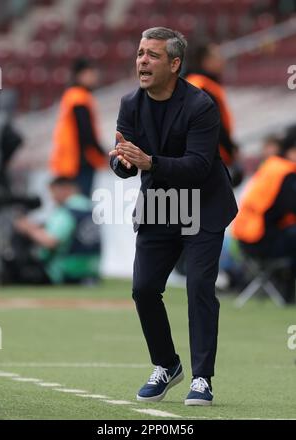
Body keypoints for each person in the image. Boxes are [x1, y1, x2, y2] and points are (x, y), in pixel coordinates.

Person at [109, 27, 237, 406]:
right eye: (139, 54)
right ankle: (166, 365)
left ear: (175, 64)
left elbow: (198, 167)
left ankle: (202, 379)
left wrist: (149, 162)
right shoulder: (129, 104)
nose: (142, 61)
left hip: (203, 206)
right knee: (143, 289)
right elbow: (124, 161)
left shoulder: (201, 105)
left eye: (152, 55)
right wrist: (121, 162)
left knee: (199, 286)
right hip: (160, 205)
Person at [232, 128, 296, 304]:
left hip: (245, 236)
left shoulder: (272, 166)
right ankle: (288, 292)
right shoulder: (287, 173)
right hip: (259, 239)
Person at [2, 177, 101, 285]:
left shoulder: (67, 211)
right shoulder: (89, 208)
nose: (52, 197)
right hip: (89, 270)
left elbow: (51, 241)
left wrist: (28, 228)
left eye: (54, 192)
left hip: (65, 273)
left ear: (65, 189)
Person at [185, 42, 244, 187]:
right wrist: (231, 151)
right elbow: (213, 124)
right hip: (207, 160)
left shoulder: (196, 83)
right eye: (217, 56)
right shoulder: (200, 86)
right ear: (205, 61)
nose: (222, 60)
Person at [50, 58, 107, 196]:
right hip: (79, 162)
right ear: (81, 75)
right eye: (91, 74)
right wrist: (102, 153)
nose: (94, 78)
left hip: (69, 162)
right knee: (79, 205)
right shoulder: (79, 98)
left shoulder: (71, 96)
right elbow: (85, 132)